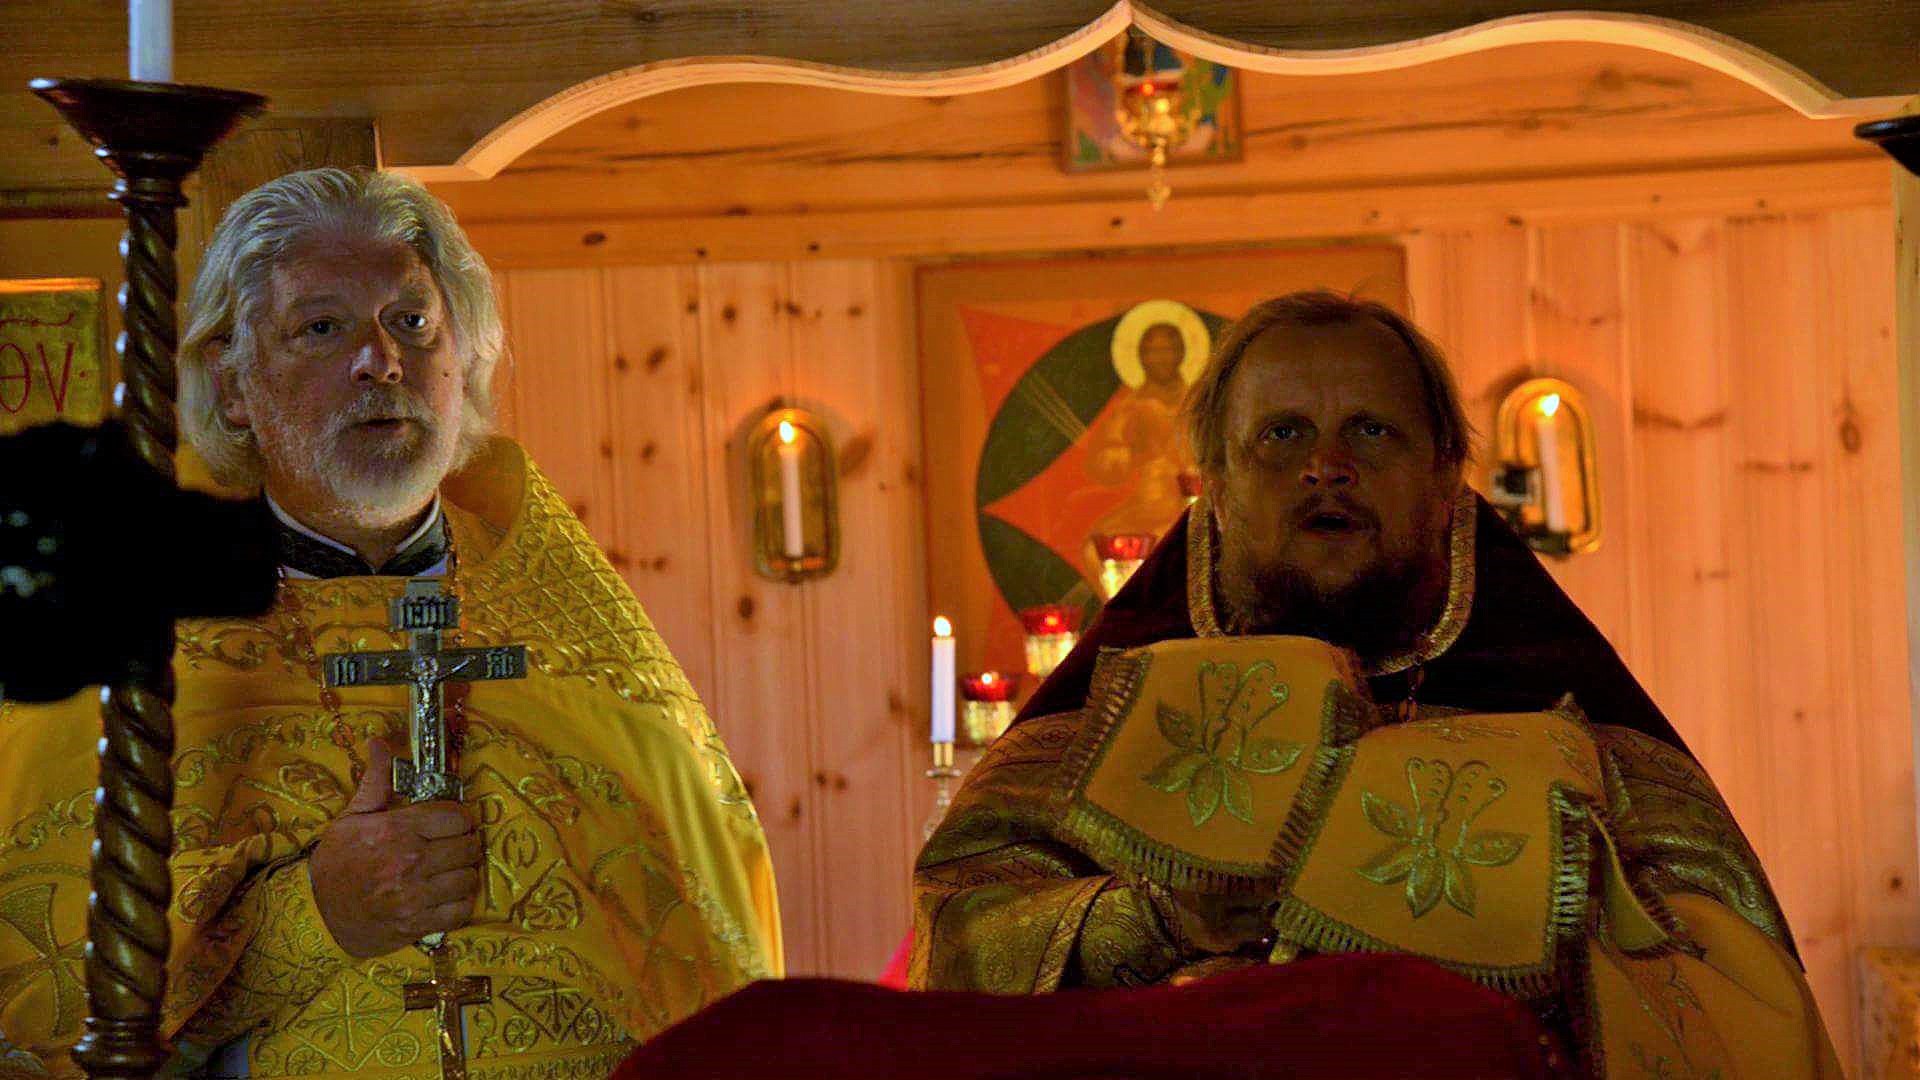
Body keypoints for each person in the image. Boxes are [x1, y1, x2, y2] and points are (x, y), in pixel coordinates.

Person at [912, 291, 1840, 1077]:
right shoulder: (1096, 724)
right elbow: (963, 940)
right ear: (1217, 487)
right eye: (1282, 434)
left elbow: (1730, 985)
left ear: (1445, 478)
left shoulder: (1578, 728)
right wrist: (1152, 919)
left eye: (1372, 430)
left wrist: (1531, 937)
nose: (1328, 465)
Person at [0, 167, 780, 1078]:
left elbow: (712, 955)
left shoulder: (574, 625)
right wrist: (317, 916)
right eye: (321, 328)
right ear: (232, 382)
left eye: (411, 321)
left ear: (465, 357)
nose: (380, 360)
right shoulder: (138, 635)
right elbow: (55, 1018)